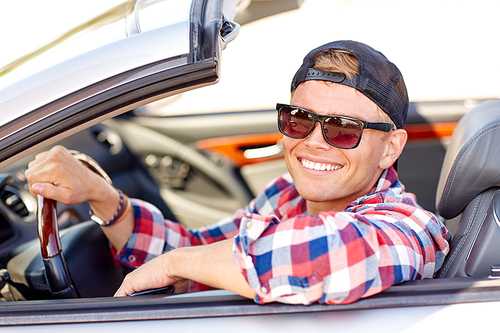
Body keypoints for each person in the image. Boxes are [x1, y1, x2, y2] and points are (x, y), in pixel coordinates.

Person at [25, 40, 450, 305]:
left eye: (343, 128)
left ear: (390, 148)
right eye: (299, 119)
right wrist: (102, 196)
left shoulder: (410, 226)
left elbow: (327, 256)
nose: (314, 141)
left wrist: (179, 263)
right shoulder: (286, 195)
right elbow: (201, 250)